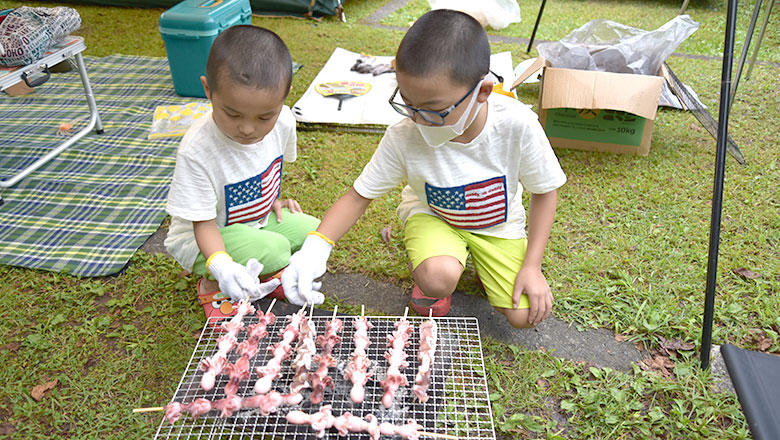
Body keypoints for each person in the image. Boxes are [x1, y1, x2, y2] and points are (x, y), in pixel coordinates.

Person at [281, 9, 567, 328]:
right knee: (438, 277)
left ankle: (485, 265)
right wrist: (316, 247)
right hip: (434, 215)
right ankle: (436, 268)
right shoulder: (404, 134)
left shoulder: (516, 125)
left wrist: (532, 265)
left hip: (497, 224)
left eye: (433, 110)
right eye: (407, 103)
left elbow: (545, 191)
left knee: (524, 317)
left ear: (482, 92)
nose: (417, 119)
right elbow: (358, 196)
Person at [164, 25, 320, 322]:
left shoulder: (284, 122)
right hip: (203, 238)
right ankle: (212, 284)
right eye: (233, 114)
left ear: (284, 99)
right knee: (275, 250)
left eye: (264, 116)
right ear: (208, 90)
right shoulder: (197, 150)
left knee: (312, 232)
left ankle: (257, 274)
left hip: (254, 223)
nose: (248, 129)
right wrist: (222, 266)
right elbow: (202, 225)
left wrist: (271, 198)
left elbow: (270, 167)